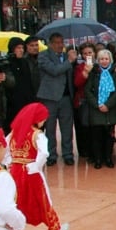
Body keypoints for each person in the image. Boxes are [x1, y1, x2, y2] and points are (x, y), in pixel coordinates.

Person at [6, 102, 69, 230]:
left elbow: (5, 148)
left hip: (15, 172)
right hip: (31, 172)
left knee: (15, 203)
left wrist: (10, 163)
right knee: (43, 200)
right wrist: (35, 166)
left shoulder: (14, 133)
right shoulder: (37, 135)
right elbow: (44, 153)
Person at [37, 32, 76, 166]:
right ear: (51, 44)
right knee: (50, 128)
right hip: (50, 98)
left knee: (67, 128)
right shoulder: (43, 56)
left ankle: (68, 153)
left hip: (66, 97)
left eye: (62, 42)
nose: (60, 45)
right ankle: (51, 154)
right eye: (57, 43)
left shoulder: (66, 55)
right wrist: (69, 61)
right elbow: (54, 70)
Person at [84, 48, 116, 168]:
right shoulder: (93, 73)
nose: (104, 61)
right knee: (96, 136)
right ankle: (98, 159)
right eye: (101, 59)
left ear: (110, 60)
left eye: (106, 59)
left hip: (110, 109)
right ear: (98, 60)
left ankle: (108, 158)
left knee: (109, 136)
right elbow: (88, 90)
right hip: (96, 109)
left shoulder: (115, 73)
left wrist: (108, 105)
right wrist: (98, 104)